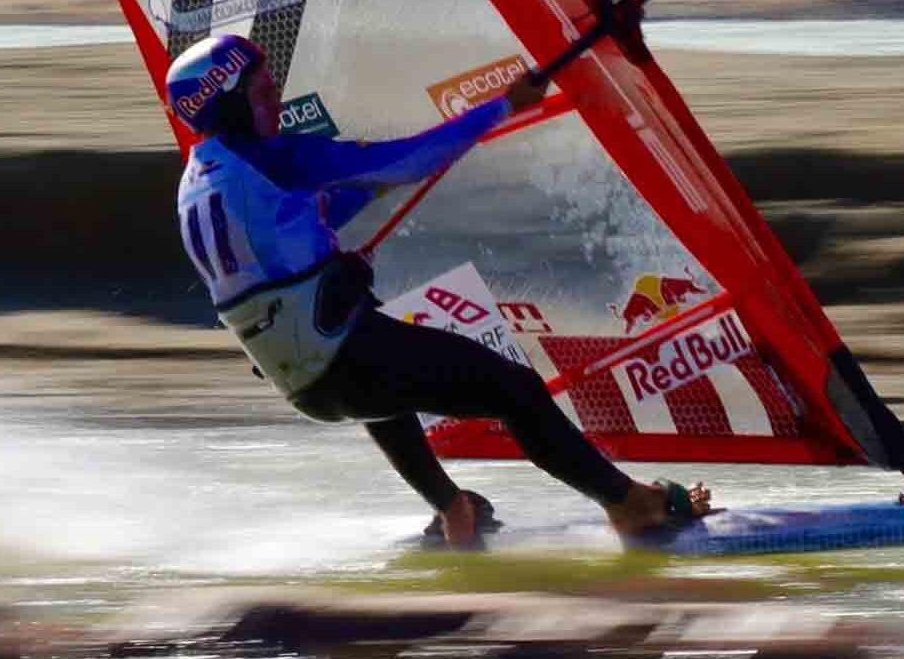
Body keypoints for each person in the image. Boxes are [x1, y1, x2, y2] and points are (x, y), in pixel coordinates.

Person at [167, 34, 713, 548]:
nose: (275, 100)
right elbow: (404, 163)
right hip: (345, 358)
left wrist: (356, 214)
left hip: (308, 383)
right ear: (230, 105)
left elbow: (309, 214)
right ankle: (628, 504)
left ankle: (454, 510)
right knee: (514, 390)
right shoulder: (276, 157)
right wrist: (502, 106)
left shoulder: (202, 176)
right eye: (262, 92)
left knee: (385, 387)